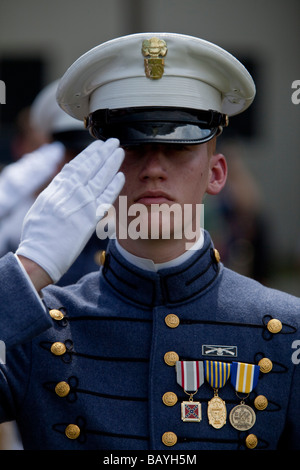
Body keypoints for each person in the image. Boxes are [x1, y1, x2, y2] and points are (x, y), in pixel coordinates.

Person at [0, 32, 299, 451]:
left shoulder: (286, 329)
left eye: (178, 146)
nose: (154, 168)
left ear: (216, 173)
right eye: (132, 146)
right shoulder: (38, 327)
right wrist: (27, 269)